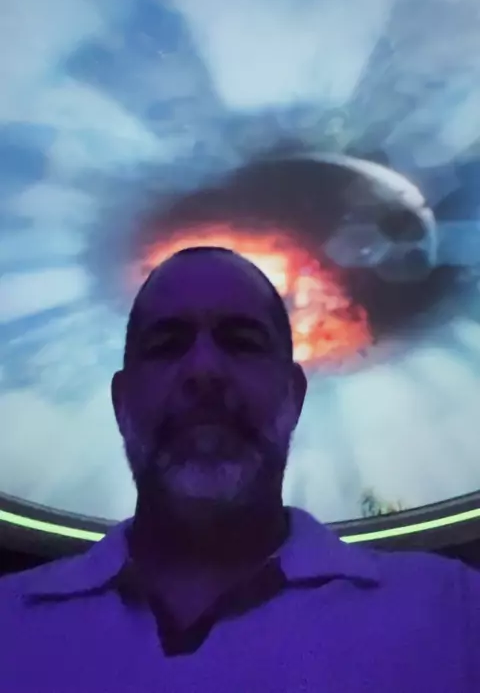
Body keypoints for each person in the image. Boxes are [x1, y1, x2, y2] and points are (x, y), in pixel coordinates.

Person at [1, 245, 480, 692]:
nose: (204, 370)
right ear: (122, 403)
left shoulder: (451, 616)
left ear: (293, 395)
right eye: (167, 344)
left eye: (242, 342)